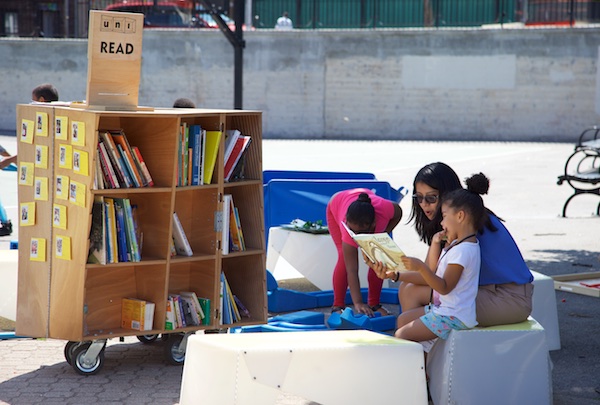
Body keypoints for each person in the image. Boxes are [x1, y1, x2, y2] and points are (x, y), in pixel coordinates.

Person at [373, 162, 534, 327]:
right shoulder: (461, 219)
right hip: (493, 292)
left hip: (508, 299)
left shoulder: (463, 227)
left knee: (410, 294)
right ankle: (425, 348)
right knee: (407, 288)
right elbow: (430, 272)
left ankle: (422, 349)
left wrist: (394, 273)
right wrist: (393, 273)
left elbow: (431, 276)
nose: (423, 204)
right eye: (419, 198)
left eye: (431, 198)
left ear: (446, 196)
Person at [389, 174, 488, 346]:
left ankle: (417, 371)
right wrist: (435, 243)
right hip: (444, 311)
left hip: (453, 316)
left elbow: (444, 287)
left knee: (402, 335)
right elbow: (435, 268)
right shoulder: (459, 244)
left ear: (460, 216)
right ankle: (424, 366)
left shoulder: (464, 251)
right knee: (403, 320)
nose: (442, 223)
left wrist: (420, 268)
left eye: (444, 216)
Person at [326, 188, 402, 316]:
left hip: (368, 212)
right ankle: (337, 305)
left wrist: (382, 234)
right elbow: (352, 270)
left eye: (360, 233)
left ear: (373, 224)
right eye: (354, 232)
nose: (356, 237)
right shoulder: (347, 229)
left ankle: (374, 304)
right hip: (336, 203)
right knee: (344, 260)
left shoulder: (385, 210)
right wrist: (358, 303)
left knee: (378, 260)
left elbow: (398, 213)